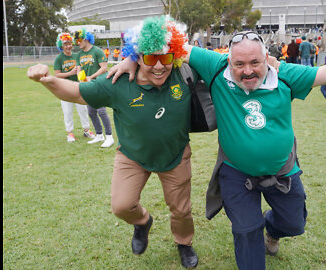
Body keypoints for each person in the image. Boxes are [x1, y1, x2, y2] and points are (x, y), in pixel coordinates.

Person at [109, 28, 326, 270]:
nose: (247, 71)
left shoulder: (285, 75)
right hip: (237, 174)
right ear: (228, 61)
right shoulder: (215, 67)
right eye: (239, 64)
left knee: (294, 224)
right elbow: (165, 41)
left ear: (268, 59)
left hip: (283, 171)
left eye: (254, 63)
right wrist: (133, 59)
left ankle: (272, 231)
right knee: (247, 231)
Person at [27, 16, 199, 269]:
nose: (160, 66)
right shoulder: (118, 81)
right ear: (138, 56)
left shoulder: (183, 73)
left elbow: (222, 64)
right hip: (132, 155)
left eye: (166, 57)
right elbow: (76, 92)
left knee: (181, 210)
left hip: (174, 155)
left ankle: (184, 243)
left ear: (175, 54)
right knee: (121, 206)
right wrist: (48, 80)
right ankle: (142, 223)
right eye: (151, 58)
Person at [73, 28, 114, 148]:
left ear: (86, 39)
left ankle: (109, 136)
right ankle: (99, 135)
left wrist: (92, 77)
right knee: (91, 112)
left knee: (101, 110)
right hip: (87, 86)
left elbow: (104, 68)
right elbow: (79, 69)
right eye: (76, 41)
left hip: (99, 84)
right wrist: (80, 78)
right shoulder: (79, 55)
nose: (78, 43)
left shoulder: (97, 51)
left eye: (79, 40)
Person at [53, 32, 95, 142]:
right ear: (61, 46)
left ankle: (87, 130)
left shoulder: (77, 56)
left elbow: (81, 70)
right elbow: (57, 75)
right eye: (65, 44)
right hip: (64, 88)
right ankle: (70, 133)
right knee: (67, 111)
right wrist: (70, 73)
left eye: (69, 43)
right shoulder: (59, 58)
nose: (68, 46)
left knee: (83, 109)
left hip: (78, 87)